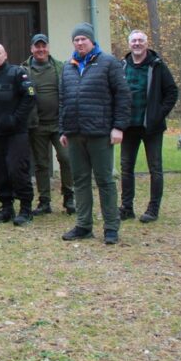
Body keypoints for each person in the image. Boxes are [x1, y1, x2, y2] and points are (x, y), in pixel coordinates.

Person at [59, 23, 131, 245]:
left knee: (105, 180)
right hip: (74, 133)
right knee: (80, 180)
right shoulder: (68, 67)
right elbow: (63, 100)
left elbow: (123, 95)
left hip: (99, 132)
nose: (80, 43)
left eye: (83, 39)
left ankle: (111, 227)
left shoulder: (108, 63)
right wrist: (63, 129)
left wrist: (118, 126)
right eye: (76, 40)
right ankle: (83, 225)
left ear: (92, 40)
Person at [120, 30, 179, 223]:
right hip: (128, 126)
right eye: (134, 41)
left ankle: (153, 209)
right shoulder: (122, 66)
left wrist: (158, 114)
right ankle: (126, 208)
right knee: (126, 168)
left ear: (146, 44)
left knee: (155, 168)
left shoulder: (157, 65)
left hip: (151, 127)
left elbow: (172, 92)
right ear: (129, 44)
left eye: (140, 41)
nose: (137, 44)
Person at [0, 43, 37, 226]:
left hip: (16, 133)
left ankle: (26, 209)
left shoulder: (17, 74)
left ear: (5, 55)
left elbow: (29, 97)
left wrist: (15, 119)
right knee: (1, 172)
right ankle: (6, 207)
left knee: (17, 169)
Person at [22, 34, 75, 215]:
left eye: (43, 46)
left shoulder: (61, 67)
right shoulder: (24, 70)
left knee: (66, 158)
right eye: (37, 46)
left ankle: (69, 197)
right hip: (36, 124)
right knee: (41, 164)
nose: (41, 49)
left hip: (59, 124)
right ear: (32, 49)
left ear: (48, 48)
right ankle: (44, 201)